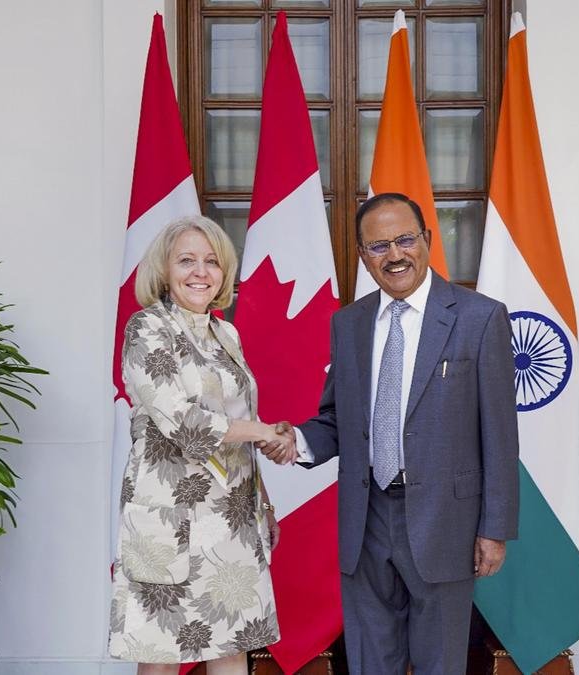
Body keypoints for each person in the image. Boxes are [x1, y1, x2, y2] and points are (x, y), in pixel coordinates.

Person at [264, 193, 521, 674]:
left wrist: (495, 528)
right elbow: (338, 418)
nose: (395, 255)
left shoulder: (480, 317)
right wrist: (296, 441)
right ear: (363, 255)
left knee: (439, 662)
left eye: (405, 240)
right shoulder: (349, 323)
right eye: (379, 246)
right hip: (366, 518)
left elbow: (501, 436)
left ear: (427, 240)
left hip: (447, 520)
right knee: (370, 661)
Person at [110, 215, 288, 674]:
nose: (200, 272)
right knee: (162, 653)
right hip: (169, 515)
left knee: (232, 646)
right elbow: (185, 425)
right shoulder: (146, 328)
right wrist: (267, 431)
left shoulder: (226, 333)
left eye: (211, 261)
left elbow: (239, 424)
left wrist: (263, 502)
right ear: (164, 269)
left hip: (233, 515)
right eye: (186, 260)